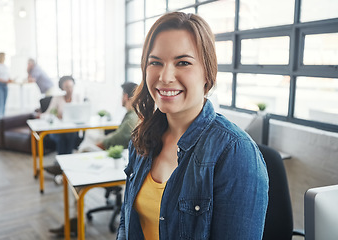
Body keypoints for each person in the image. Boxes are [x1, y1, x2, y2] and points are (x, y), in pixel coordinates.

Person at [117, 12, 269, 240]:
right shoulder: (142, 138)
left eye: (183, 63)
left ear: (207, 73)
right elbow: (126, 224)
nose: (165, 76)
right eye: (155, 62)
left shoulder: (236, 153)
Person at [48, 82, 138, 237]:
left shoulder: (132, 117)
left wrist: (100, 143)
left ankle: (63, 170)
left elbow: (117, 138)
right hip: (119, 157)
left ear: (125, 96)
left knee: (85, 150)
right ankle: (63, 169)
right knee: (84, 150)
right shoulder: (133, 114)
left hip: (119, 161)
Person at [42, 76, 82, 175]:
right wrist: (55, 115)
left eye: (71, 86)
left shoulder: (78, 97)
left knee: (70, 134)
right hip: (57, 130)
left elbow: (81, 113)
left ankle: (60, 166)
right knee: (62, 137)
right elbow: (47, 114)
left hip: (72, 130)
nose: (70, 89)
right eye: (67, 87)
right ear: (62, 88)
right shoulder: (57, 98)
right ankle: (64, 166)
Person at [0, 52, 13, 117]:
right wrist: (5, 80)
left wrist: (9, 80)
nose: (4, 58)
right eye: (3, 56)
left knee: (4, 103)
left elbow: (6, 76)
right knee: (0, 103)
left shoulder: (5, 66)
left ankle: (3, 118)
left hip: (5, 85)